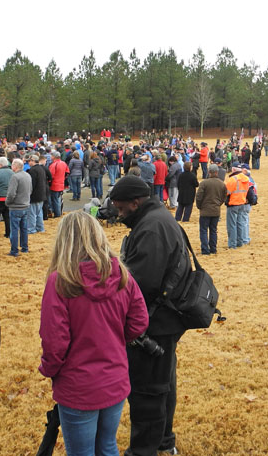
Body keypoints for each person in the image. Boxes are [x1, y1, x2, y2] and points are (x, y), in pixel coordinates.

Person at [39, 211, 148, 456]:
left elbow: (54, 342)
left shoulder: (60, 282)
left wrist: (49, 368)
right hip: (114, 379)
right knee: (107, 446)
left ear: (64, 241)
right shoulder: (121, 275)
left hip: (78, 385)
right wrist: (115, 340)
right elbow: (139, 321)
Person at [108, 177, 187, 456]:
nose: (119, 215)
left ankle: (144, 450)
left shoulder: (151, 228)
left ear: (135, 202)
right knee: (163, 384)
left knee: (148, 390)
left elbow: (139, 284)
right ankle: (164, 442)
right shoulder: (156, 218)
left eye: (121, 209)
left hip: (155, 322)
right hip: (164, 318)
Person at [195, 164, 227, 255]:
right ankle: (213, 249)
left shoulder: (204, 183)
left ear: (209, 172)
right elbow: (224, 197)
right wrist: (218, 204)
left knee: (203, 230)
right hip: (216, 210)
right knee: (213, 230)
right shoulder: (222, 184)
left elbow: (199, 196)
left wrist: (199, 206)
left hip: (205, 210)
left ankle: (205, 250)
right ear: (217, 172)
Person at [6, 159, 32, 257]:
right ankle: (25, 248)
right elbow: (30, 190)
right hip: (25, 205)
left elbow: (11, 193)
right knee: (24, 229)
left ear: (15, 166)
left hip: (16, 207)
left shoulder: (15, 177)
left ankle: (14, 250)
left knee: (14, 230)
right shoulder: (27, 175)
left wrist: (7, 202)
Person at [226, 163, 251, 249]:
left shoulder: (233, 179)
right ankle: (240, 242)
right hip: (242, 202)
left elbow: (226, 192)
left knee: (232, 225)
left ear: (233, 169)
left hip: (233, 203)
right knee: (240, 223)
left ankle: (232, 244)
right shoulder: (246, 179)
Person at [27, 154, 47, 234]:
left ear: (33, 161)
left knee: (32, 213)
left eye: (29, 161)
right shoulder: (41, 169)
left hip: (34, 195)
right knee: (39, 213)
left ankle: (31, 229)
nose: (28, 163)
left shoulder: (33, 170)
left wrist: (29, 194)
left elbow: (32, 184)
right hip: (42, 194)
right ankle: (40, 228)